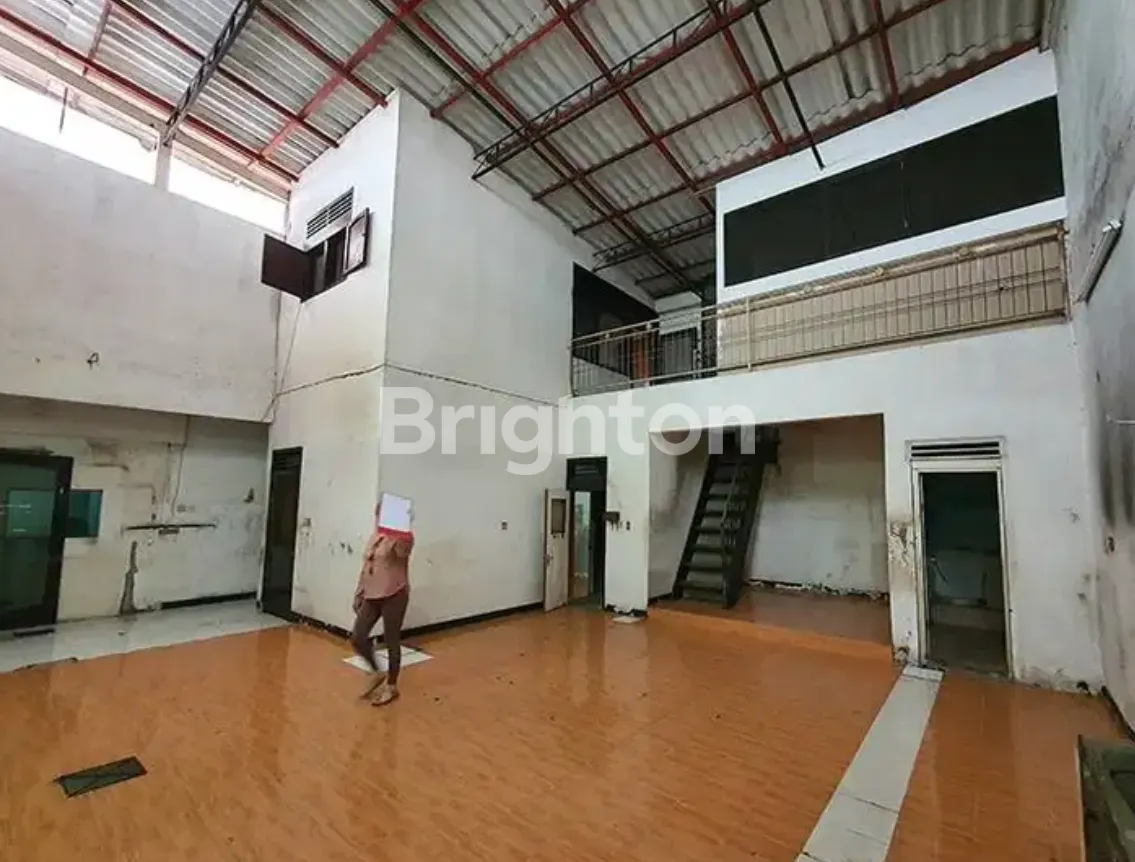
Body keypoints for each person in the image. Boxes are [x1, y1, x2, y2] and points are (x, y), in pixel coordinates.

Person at [351, 504, 413, 707]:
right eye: (379, 513)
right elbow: (367, 565)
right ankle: (377, 672)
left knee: (391, 639)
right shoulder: (375, 536)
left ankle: (392, 686)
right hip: (372, 594)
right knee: (358, 637)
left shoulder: (403, 538)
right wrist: (359, 592)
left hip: (394, 593)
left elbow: (403, 553)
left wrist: (402, 531)